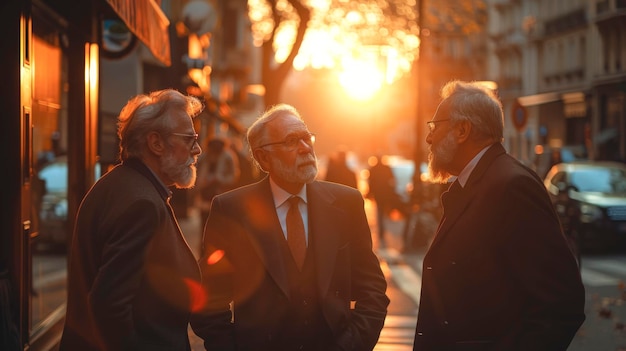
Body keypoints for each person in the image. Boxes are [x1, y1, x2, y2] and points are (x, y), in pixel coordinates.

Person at [190, 103, 389, 351]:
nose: (305, 148)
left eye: (307, 138)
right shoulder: (231, 209)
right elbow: (208, 298)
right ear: (264, 157)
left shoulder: (347, 203)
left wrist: (352, 344)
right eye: (291, 141)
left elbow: (373, 289)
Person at [413, 80, 585, 350]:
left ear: (462, 130)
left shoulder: (511, 186)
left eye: (435, 127)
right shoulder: (480, 182)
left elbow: (561, 303)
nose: (429, 138)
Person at [60, 89, 204, 351]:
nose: (197, 149)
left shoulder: (121, 185)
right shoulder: (142, 204)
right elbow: (109, 307)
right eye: (189, 138)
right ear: (156, 143)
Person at [196, 136, 240, 228]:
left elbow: (233, 177)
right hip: (205, 192)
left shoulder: (228, 157)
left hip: (220, 192)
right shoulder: (204, 157)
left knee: (218, 220)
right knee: (204, 219)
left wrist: (219, 179)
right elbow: (197, 172)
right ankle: (203, 240)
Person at [367, 155, 398, 245]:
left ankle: (381, 230)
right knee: (383, 210)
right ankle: (382, 229)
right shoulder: (386, 168)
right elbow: (392, 179)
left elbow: (371, 182)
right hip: (385, 193)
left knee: (380, 211)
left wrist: (370, 192)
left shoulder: (374, 169)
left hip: (379, 194)